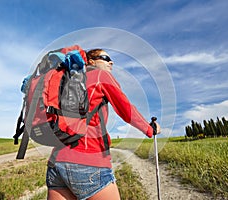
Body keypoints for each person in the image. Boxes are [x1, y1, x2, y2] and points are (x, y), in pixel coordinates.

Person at [46, 48, 161, 200]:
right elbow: (126, 109)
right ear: (91, 61)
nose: (111, 62)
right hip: (88, 162)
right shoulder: (101, 75)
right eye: (105, 58)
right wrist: (149, 128)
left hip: (56, 163)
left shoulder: (65, 82)